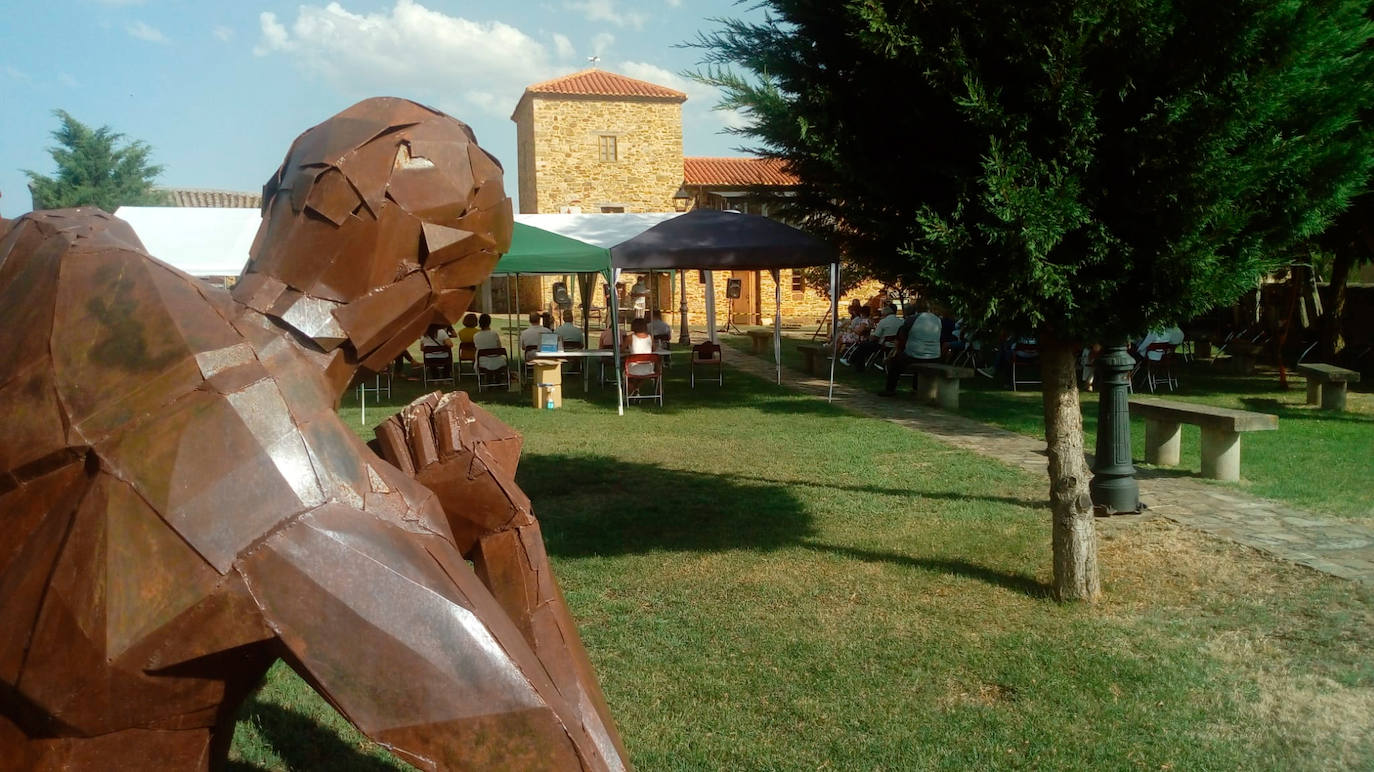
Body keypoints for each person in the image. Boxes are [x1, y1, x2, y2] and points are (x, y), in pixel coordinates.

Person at [880, 301, 942, 395]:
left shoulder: (912, 319)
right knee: (917, 359)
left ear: (916, 309)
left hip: (914, 355)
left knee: (895, 362)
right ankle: (916, 388)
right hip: (935, 355)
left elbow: (901, 338)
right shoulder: (937, 319)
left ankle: (890, 389)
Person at [850, 303, 902, 373]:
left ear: (884, 314)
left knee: (863, 345)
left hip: (884, 345)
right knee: (865, 345)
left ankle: (857, 365)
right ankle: (852, 360)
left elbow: (875, 337)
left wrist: (870, 337)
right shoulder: (901, 321)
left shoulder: (883, 322)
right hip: (897, 345)